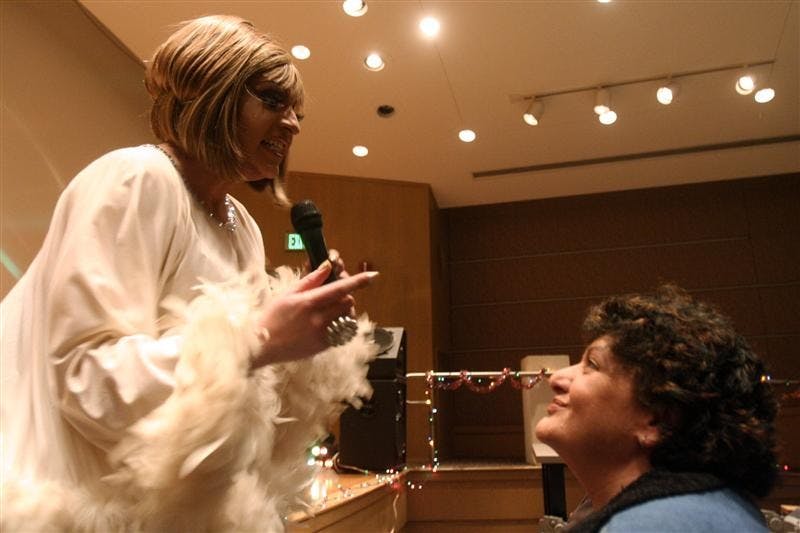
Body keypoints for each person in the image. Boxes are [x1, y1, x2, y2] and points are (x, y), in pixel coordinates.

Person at [1, 15, 379, 531]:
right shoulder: (135, 179)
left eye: (297, 112)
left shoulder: (239, 224)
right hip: (85, 504)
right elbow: (86, 376)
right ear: (212, 95)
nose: (292, 123)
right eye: (273, 100)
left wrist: (302, 344)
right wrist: (260, 336)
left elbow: (235, 398)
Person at [535, 285, 778, 532]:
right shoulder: (708, 506)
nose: (557, 378)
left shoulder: (652, 525)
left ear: (657, 421)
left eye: (593, 364)